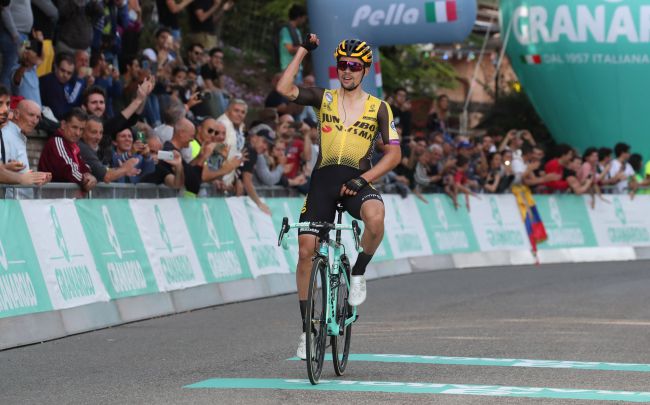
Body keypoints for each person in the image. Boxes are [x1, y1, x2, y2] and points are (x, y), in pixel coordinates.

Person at [276, 34, 401, 359]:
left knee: (376, 218)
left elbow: (394, 156)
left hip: (357, 181)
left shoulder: (379, 108)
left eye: (354, 66)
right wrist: (303, 49)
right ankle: (307, 330)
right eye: (342, 65)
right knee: (306, 251)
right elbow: (283, 89)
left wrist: (364, 179)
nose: (347, 71)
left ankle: (358, 271)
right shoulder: (324, 98)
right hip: (323, 183)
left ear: (364, 70)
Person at [38, 108, 98, 192]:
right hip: (53, 200)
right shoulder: (57, 142)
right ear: (63, 125)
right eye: (74, 127)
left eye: (81, 129)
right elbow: (68, 169)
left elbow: (83, 167)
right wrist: (86, 179)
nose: (78, 133)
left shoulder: (73, 145)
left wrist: (89, 175)